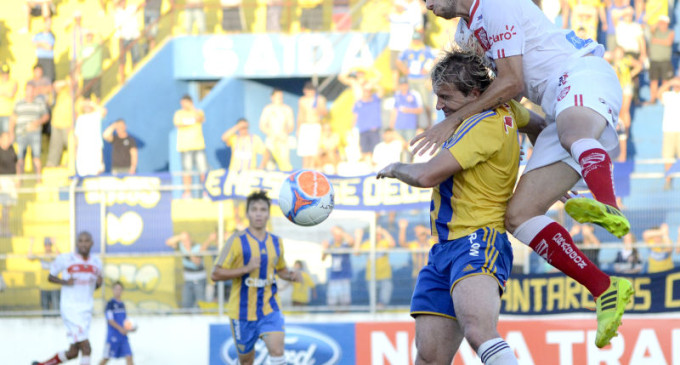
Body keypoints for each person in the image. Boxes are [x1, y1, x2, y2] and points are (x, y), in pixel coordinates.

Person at [415, 0, 634, 348]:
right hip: (555, 102)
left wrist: (455, 120)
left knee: (573, 134)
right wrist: (542, 165)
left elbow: (513, 82)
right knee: (518, 215)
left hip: (580, 74)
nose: (426, 5)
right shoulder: (464, 31)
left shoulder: (496, 5)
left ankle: (609, 205)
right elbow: (480, 90)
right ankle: (604, 288)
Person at [377, 50, 533, 364]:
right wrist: (546, 174)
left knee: (479, 331)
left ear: (474, 94)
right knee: (430, 357)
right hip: (445, 248)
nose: (438, 105)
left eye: (445, 96)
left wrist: (395, 167)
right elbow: (539, 125)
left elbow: (426, 175)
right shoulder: (507, 109)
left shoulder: (482, 126)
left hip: (478, 240)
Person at [211, 190, 301, 365]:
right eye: (254, 209)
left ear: (268, 214)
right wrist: (246, 268)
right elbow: (215, 274)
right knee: (246, 361)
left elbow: (280, 269)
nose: (258, 214)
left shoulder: (276, 242)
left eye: (263, 210)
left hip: (270, 308)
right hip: (242, 311)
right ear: (247, 213)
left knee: (277, 351)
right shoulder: (236, 241)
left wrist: (290, 275)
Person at [32, 231, 103, 365]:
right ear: (76, 243)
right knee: (87, 348)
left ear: (92, 243)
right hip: (71, 309)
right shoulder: (66, 259)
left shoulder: (97, 262)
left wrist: (98, 284)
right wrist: (65, 282)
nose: (83, 244)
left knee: (73, 352)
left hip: (86, 310)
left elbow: (94, 286)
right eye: (80, 241)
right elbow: (50, 277)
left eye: (86, 241)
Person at [10, 84, 49, 179]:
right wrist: (11, 132)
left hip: (35, 133)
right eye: (28, 90)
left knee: (36, 157)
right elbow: (13, 118)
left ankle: (38, 180)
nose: (30, 93)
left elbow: (46, 116)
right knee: (19, 158)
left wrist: (38, 122)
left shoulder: (39, 102)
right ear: (25, 91)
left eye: (32, 90)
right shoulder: (19, 103)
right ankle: (19, 180)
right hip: (21, 133)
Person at [165, 231, 213, 309]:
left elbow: (197, 262)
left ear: (190, 239)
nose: (185, 242)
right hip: (187, 280)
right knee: (186, 304)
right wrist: (180, 237)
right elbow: (168, 242)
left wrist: (188, 251)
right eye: (184, 240)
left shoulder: (197, 247)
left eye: (187, 239)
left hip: (199, 280)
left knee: (201, 304)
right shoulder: (181, 246)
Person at [173, 95, 207, 199]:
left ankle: (206, 192)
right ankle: (187, 193)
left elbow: (200, 118)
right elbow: (179, 124)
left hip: (198, 146)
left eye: (185, 102)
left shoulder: (198, 111)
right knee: (187, 170)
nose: (183, 105)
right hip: (185, 146)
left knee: (203, 170)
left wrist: (192, 109)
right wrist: (193, 121)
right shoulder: (179, 113)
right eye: (182, 103)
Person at [355, 225, 395, 309]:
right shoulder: (367, 243)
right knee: (373, 301)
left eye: (379, 234)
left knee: (384, 300)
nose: (378, 236)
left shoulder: (384, 242)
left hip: (385, 276)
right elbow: (356, 252)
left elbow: (392, 243)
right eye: (376, 234)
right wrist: (358, 237)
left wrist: (383, 231)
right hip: (371, 277)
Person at [100, 281, 135, 365]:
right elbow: (110, 320)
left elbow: (124, 321)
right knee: (106, 358)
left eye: (120, 289)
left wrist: (130, 328)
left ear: (122, 291)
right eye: (116, 289)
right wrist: (120, 329)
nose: (118, 291)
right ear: (113, 290)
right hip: (113, 336)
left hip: (123, 337)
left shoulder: (122, 304)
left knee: (129, 357)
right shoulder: (110, 304)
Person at [259, 89, 294, 171]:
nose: (280, 98)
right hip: (271, 139)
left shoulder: (287, 109)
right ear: (272, 97)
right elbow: (262, 125)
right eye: (278, 96)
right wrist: (271, 134)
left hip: (283, 140)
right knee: (270, 164)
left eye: (281, 96)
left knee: (285, 163)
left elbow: (291, 125)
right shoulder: (268, 109)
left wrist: (283, 134)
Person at [321, 226, 354, 307]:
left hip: (344, 276)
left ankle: (344, 317)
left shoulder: (345, 244)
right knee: (333, 302)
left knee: (345, 302)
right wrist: (324, 248)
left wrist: (341, 232)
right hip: (334, 277)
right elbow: (323, 258)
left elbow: (352, 242)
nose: (337, 236)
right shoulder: (331, 244)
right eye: (335, 234)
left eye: (338, 234)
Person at [46, 77, 75, 168]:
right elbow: (55, 85)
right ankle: (52, 163)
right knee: (55, 145)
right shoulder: (63, 93)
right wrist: (67, 82)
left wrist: (73, 125)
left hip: (67, 124)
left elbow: (77, 113)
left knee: (70, 145)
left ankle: (71, 163)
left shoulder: (76, 97)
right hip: (56, 123)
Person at [297, 82, 327, 168]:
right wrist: (298, 128)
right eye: (307, 91)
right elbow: (301, 114)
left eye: (311, 91)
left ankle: (312, 170)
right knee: (305, 152)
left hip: (315, 126)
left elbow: (324, 112)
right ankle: (304, 170)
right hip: (305, 126)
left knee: (314, 152)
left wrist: (318, 107)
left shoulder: (320, 99)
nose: (309, 93)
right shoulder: (302, 100)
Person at [28, 237, 61, 314]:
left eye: (49, 245)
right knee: (45, 310)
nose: (48, 246)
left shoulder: (54, 255)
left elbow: (60, 256)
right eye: (46, 245)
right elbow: (29, 257)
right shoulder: (41, 255)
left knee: (56, 310)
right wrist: (31, 243)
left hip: (54, 287)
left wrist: (55, 243)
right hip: (44, 287)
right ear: (44, 246)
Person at [74, 99, 106, 177]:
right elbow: (76, 137)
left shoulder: (96, 115)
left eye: (88, 106)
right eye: (85, 106)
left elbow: (104, 111)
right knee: (83, 174)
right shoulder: (80, 118)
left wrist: (92, 103)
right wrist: (75, 151)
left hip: (95, 149)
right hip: (83, 151)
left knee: (95, 173)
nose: (87, 107)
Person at [647, 15, 674, 105]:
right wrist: (657, 22)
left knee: (665, 80)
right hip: (654, 60)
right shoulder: (655, 31)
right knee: (653, 80)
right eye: (661, 23)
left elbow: (668, 42)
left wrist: (656, 40)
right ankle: (653, 99)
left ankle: (664, 99)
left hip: (665, 60)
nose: (662, 25)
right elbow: (651, 28)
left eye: (664, 23)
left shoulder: (670, 32)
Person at [659, 76, 680, 190]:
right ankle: (668, 179)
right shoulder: (668, 95)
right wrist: (670, 82)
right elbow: (659, 93)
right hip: (668, 130)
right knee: (668, 156)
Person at [352, 86, 383, 163]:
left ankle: (374, 167)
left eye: (369, 91)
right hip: (363, 130)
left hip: (374, 129)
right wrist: (352, 128)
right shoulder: (358, 103)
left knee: (375, 150)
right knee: (364, 150)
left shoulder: (375, 99)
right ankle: (367, 166)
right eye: (365, 91)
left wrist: (373, 83)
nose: (367, 92)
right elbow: (354, 117)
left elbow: (381, 91)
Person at [398, 219, 433, 283]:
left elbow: (438, 237)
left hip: (431, 275)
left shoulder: (432, 242)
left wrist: (424, 230)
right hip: (417, 275)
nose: (421, 236)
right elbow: (402, 243)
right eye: (418, 233)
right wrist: (402, 228)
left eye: (422, 234)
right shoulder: (414, 244)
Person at [115, 0, 142, 83]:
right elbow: (117, 27)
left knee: (135, 58)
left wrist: (138, 34)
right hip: (123, 37)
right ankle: (122, 80)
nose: (122, 3)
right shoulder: (117, 13)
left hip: (133, 36)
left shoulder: (131, 8)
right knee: (123, 60)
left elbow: (139, 7)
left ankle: (136, 77)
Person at [33, 18, 56, 83]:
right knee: (39, 77)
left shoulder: (52, 35)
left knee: (49, 78)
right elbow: (33, 44)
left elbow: (49, 47)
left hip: (48, 60)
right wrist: (44, 44)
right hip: (40, 59)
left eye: (50, 24)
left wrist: (39, 43)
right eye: (48, 24)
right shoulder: (38, 34)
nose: (49, 25)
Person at [0, 64, 18, 134]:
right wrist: (6, 93)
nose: (5, 75)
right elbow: (9, 94)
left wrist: (2, 92)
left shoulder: (13, 82)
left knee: (6, 135)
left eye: (7, 73)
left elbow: (11, 94)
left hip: (8, 114)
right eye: (3, 73)